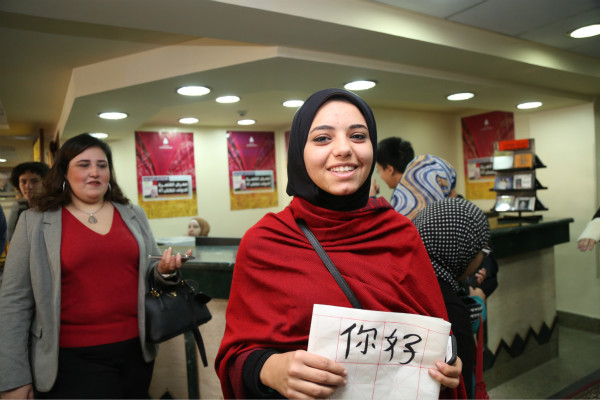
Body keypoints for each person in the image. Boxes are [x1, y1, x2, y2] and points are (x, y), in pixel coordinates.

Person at [215, 88, 464, 399]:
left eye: (358, 136)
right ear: (298, 152)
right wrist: (270, 368)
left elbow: (437, 339)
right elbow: (234, 357)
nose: (344, 149)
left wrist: (448, 366)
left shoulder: (400, 234)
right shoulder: (266, 242)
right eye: (322, 138)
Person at [0, 134, 190, 399]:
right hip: (71, 360)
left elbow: (150, 272)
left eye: (102, 165)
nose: (94, 172)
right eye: (83, 164)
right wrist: (12, 379)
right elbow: (13, 301)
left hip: (137, 354)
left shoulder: (133, 214)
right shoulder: (35, 222)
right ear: (64, 172)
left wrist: (165, 271)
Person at [413, 197, 491, 399]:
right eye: (482, 250)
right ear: (461, 251)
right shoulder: (451, 310)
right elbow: (462, 387)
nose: (482, 257)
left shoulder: (406, 279)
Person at [7, 161, 50, 241]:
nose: (28, 186)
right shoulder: (18, 205)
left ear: (45, 182)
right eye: (23, 182)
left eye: (34, 181)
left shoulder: (53, 206)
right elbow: (9, 233)